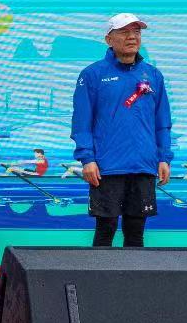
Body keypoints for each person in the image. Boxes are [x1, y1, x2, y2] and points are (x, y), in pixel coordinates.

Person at [71, 13, 173, 248]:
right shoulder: (92, 74)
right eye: (124, 32)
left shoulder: (153, 75)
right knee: (105, 232)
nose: (132, 37)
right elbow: (81, 122)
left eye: (136, 32)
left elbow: (162, 122)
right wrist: (87, 159)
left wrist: (163, 157)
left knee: (136, 235)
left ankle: (135, 276)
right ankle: (98, 275)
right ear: (109, 39)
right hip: (106, 167)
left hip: (143, 166)